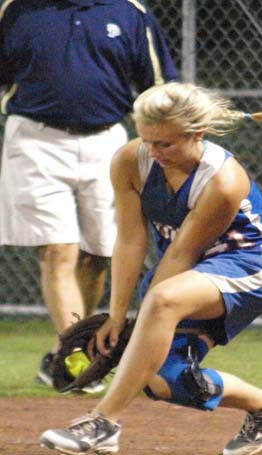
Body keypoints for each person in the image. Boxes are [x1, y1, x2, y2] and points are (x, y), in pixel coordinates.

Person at [39, 82, 262, 455]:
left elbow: (182, 255)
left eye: (164, 143)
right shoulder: (131, 160)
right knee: (164, 381)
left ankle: (103, 423)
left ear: (197, 134)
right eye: (146, 139)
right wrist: (117, 318)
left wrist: (139, 323)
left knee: (162, 301)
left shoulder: (223, 181)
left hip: (247, 265)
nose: (153, 151)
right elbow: (131, 241)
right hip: (185, 267)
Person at [0, 0, 178, 393]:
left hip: (107, 142)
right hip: (34, 139)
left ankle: (60, 353)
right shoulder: (17, 10)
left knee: (99, 253)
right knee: (58, 250)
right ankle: (76, 360)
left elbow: (160, 84)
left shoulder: (128, 11)